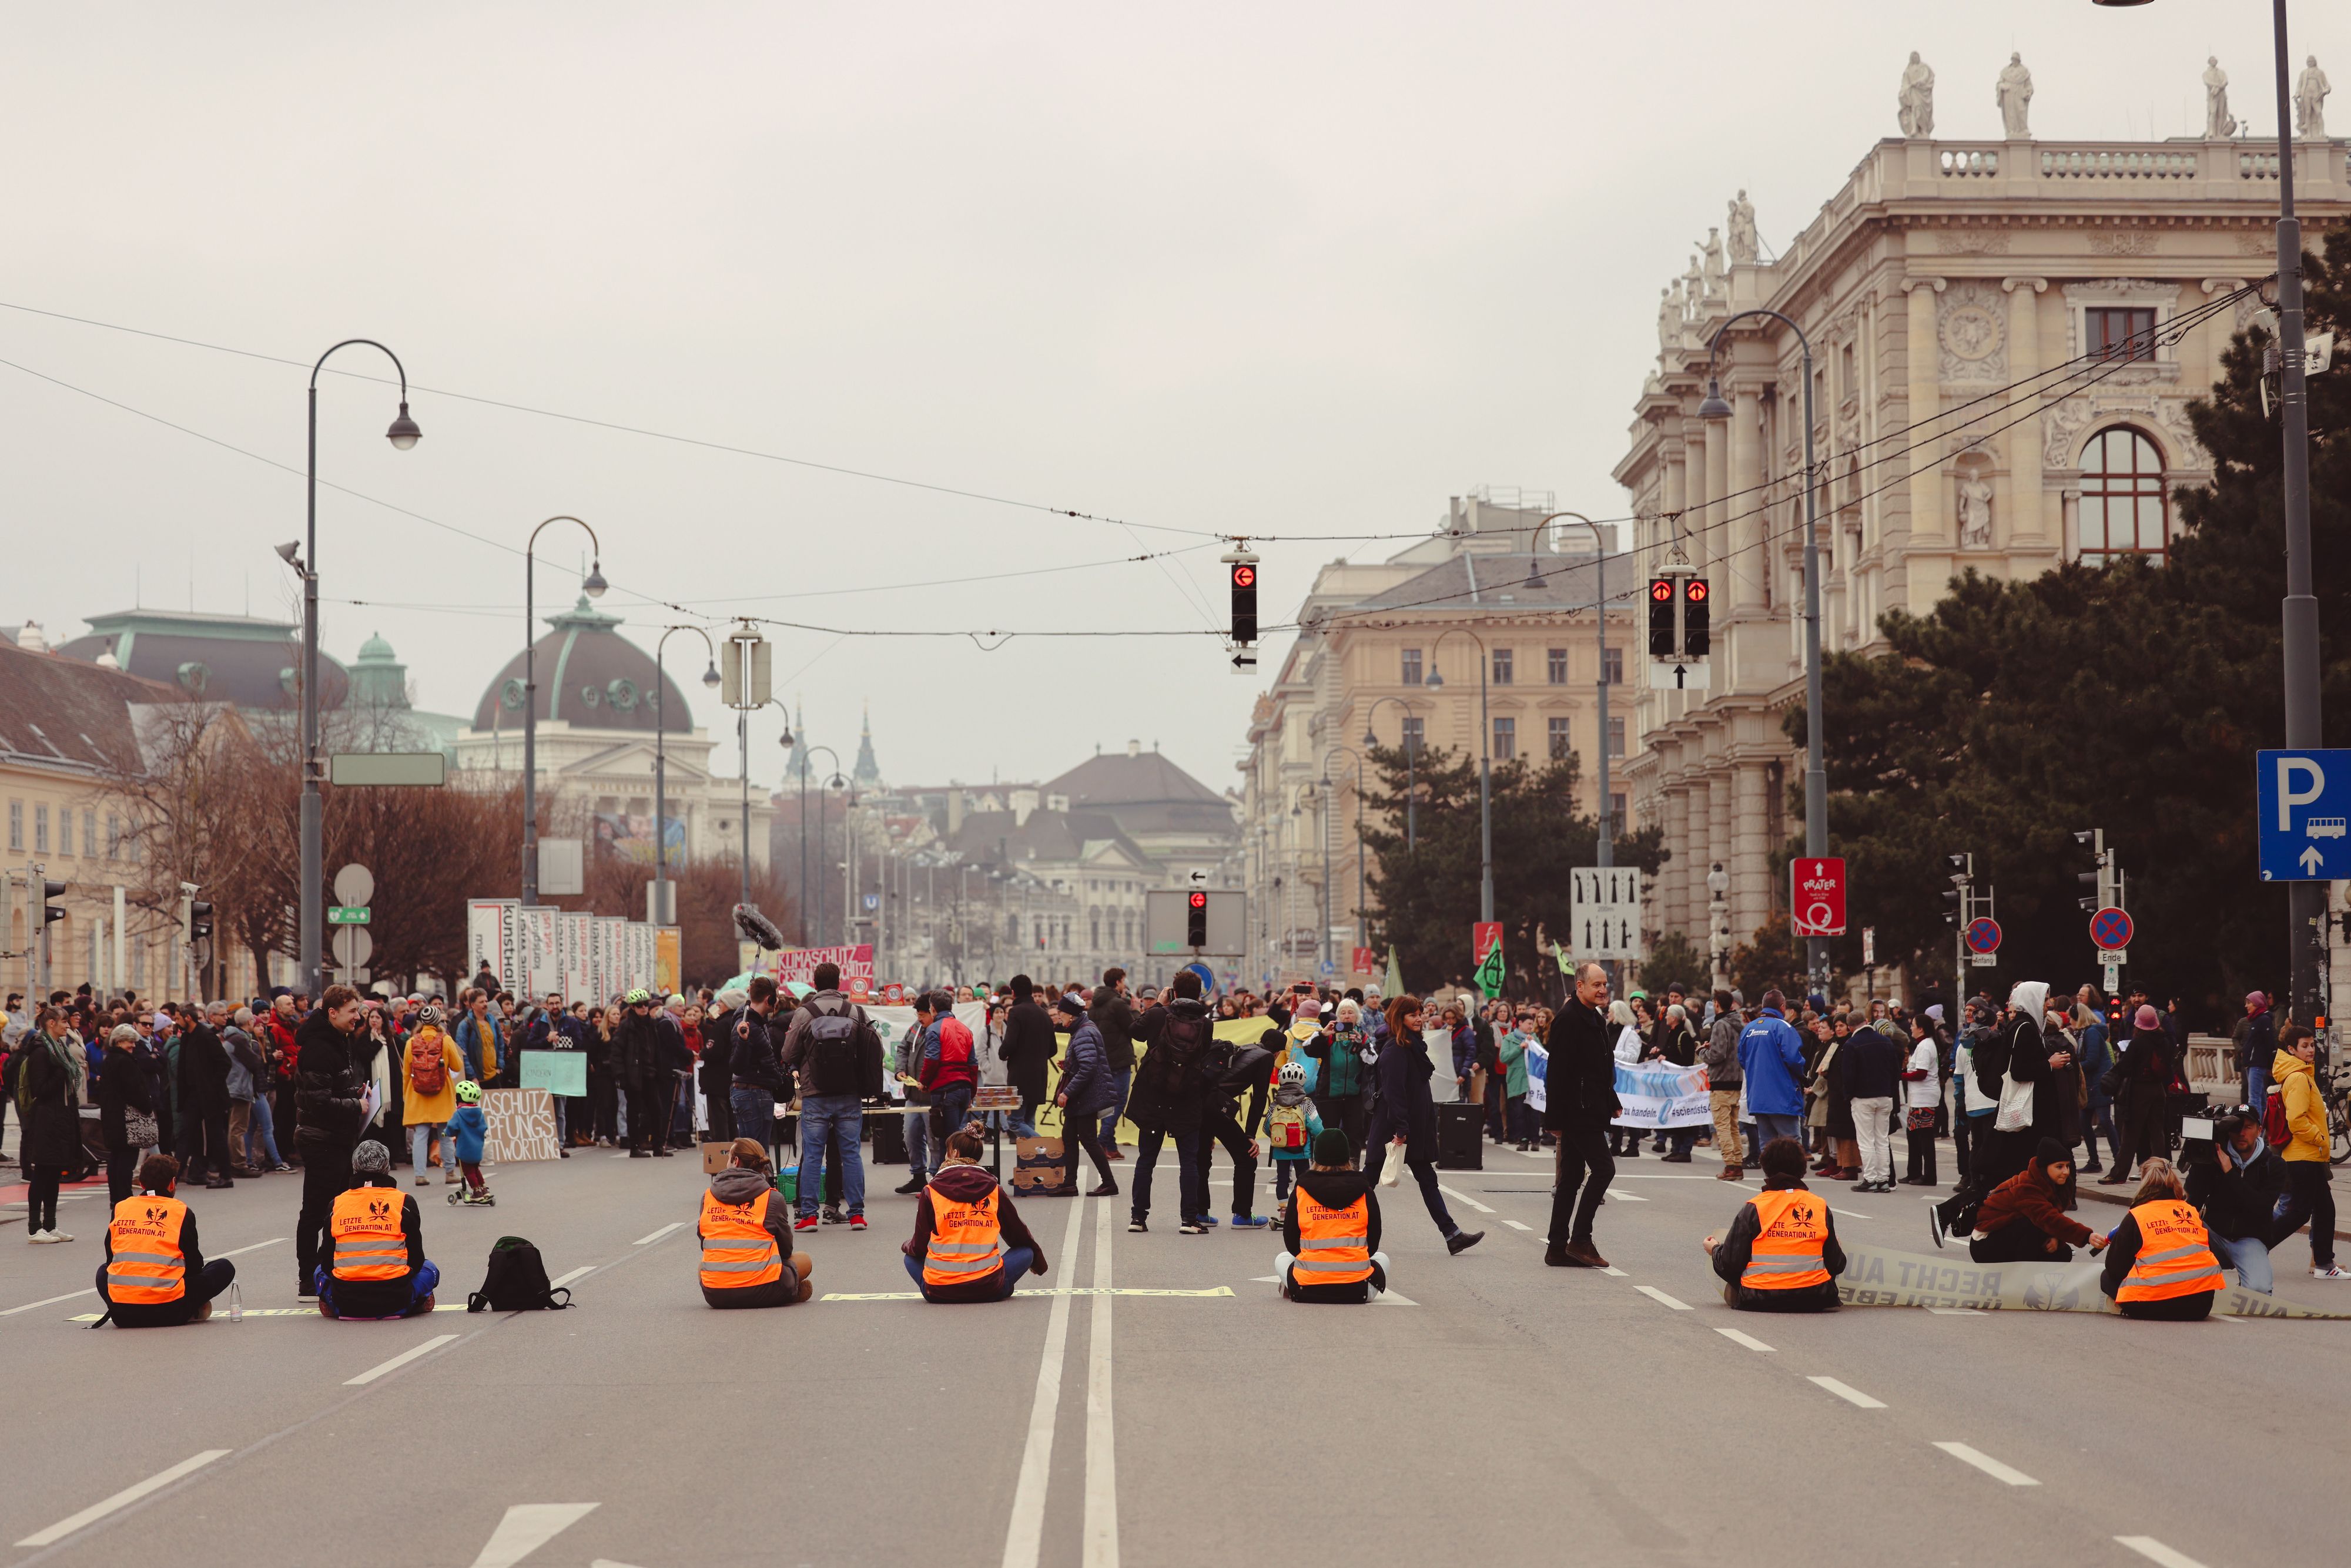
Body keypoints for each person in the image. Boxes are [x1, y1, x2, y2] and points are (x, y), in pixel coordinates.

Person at [1366, 994, 1482, 1256]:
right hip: (1395, 1126)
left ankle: (1452, 1235)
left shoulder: (1412, 1046)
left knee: (1427, 1179)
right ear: (1399, 1018)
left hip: (1411, 1126)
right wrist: (1401, 1129)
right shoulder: (1395, 1050)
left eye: (1420, 1014)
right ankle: (1340, 1223)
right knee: (1368, 1179)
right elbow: (1394, 1093)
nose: (1419, 1019)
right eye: (1412, 1015)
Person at [783, 962, 884, 1232]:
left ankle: (808, 1216)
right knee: (851, 1154)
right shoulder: (856, 1012)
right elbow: (875, 1049)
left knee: (813, 1155)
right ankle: (857, 1215)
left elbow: (787, 1053)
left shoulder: (805, 1013)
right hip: (850, 1094)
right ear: (839, 983)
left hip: (815, 1094)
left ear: (814, 983)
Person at [903, 1125, 1050, 1302]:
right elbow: (1018, 1236)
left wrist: (906, 1246)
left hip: (938, 1292)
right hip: (989, 1288)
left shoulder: (930, 1191)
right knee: (1026, 1252)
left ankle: (939, 1285)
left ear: (955, 1153)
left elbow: (919, 1246)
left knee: (909, 1259)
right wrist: (1038, 1264)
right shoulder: (995, 1190)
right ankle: (1001, 1287)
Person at [1703, 1137, 1846, 1312]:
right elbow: (1837, 1265)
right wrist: (1836, 1247)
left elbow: (1730, 1264)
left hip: (1759, 1297)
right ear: (1802, 1170)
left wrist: (1715, 1250)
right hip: (1816, 1297)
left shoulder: (1755, 1207)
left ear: (1766, 1169)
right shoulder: (1819, 1206)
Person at [94, 1154, 236, 1327]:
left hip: (123, 1315)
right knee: (223, 1267)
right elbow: (193, 1265)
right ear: (172, 1183)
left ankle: (129, 1304)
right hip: (169, 1311)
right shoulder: (181, 1212)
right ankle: (193, 1310)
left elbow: (111, 1259)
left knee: (103, 1271)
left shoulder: (121, 1208)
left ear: (141, 1183)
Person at [293, 986, 370, 1299]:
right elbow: (318, 1101)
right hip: (320, 1139)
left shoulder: (338, 1040)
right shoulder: (317, 1048)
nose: (358, 1017)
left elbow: (333, 1088)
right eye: (352, 1011)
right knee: (315, 1211)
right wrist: (355, 1106)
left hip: (337, 1137)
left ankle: (329, 1268)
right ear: (332, 1013)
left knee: (337, 1209)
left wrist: (355, 1094)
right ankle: (308, 1279)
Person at [1125, 971, 1214, 1234]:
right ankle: (1189, 1220)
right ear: (1200, 994)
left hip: (1154, 1099)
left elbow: (1134, 1031)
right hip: (1186, 1099)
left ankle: (1138, 1218)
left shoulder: (1157, 1015)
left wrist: (1160, 1005)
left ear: (1173, 991)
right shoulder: (1206, 1024)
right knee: (1189, 1161)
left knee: (1146, 1159)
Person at [1544, 964, 1619, 1269]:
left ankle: (1557, 1248)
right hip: (1578, 1112)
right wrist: (1554, 1121)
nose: (1602, 990)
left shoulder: (1594, 1017)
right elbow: (1558, 1072)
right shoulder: (1568, 1019)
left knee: (1572, 1178)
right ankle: (1580, 1240)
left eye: (1605, 984)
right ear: (1580, 986)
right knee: (1604, 1170)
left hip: (1592, 1107)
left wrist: (1611, 1098)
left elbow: (1599, 1067)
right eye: (1596, 985)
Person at [316, 1141, 439, 1319]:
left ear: (354, 1167)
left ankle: (331, 1302)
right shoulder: (405, 1202)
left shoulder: (336, 1204)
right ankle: (414, 1302)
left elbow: (327, 1263)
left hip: (345, 1300)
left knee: (318, 1271)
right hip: (396, 1297)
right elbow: (417, 1259)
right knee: (430, 1269)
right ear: (387, 1167)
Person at [2267, 1023, 2348, 1280]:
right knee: (2300, 1212)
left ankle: (2325, 1264)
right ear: (2292, 1049)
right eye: (2305, 1046)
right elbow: (2296, 1120)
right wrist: (2321, 1138)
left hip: (2307, 1155)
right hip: (2304, 1155)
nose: (2311, 1050)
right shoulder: (2299, 1077)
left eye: (2312, 1045)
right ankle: (2254, 1246)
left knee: (2323, 1209)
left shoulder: (2301, 1074)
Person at [2099, 1159, 2224, 1321]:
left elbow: (2115, 1268)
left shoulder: (2138, 1215)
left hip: (2148, 1305)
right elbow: (2211, 1253)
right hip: (2199, 1306)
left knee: (2106, 1277)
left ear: (2143, 1181)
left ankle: (2123, 1305)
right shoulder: (2191, 1212)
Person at [1276, 1130, 1389, 1302]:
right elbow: (1373, 1243)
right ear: (1347, 1157)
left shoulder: (1302, 1190)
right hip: (1358, 1290)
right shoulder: (1365, 1191)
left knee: (1282, 1259)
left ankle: (1295, 1285)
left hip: (1306, 1287)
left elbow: (1291, 1241)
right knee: (1382, 1258)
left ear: (1316, 1158)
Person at [699, 1138, 813, 1308]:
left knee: (702, 1265)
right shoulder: (772, 1198)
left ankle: (784, 1292)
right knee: (804, 1260)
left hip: (715, 1294)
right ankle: (788, 1292)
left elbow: (704, 1244)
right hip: (763, 1288)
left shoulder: (708, 1197)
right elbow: (786, 1249)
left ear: (735, 1161)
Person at [2186, 1111, 2283, 1292]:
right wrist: (2201, 1160)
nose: (2242, 1133)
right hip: (2213, 1235)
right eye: (2236, 1128)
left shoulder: (2273, 1164)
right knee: (2180, 1232)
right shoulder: (2215, 1157)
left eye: (2248, 1127)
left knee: (2259, 1291)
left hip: (2249, 1240)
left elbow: (2261, 1207)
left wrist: (2230, 1173)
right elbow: (2192, 1201)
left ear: (2259, 1130)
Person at [1967, 1139, 2105, 1264]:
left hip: (2011, 1235)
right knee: (2032, 1227)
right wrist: (2087, 1236)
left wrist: (2055, 1237)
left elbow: (2052, 1220)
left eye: (2067, 1166)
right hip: (1985, 1243)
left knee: (2063, 1254)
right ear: (2045, 1168)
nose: (2066, 1172)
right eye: (2059, 1167)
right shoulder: (2025, 1187)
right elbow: (2048, 1218)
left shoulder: (2057, 1185)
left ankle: (2035, 1278)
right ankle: (2021, 1278)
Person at [18, 1009, 86, 1242]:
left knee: (54, 1173)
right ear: (51, 1023)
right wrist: (60, 1072)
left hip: (60, 1119)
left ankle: (50, 1225)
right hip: (46, 1121)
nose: (68, 1026)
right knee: (42, 1174)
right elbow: (40, 1090)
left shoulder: (59, 1050)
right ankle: (35, 1228)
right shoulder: (41, 1051)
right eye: (64, 1021)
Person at [1048, 990, 1118, 1197]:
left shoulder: (1084, 1032)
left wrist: (1067, 1093)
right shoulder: (1081, 1030)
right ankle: (1070, 1183)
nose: (1059, 1017)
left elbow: (1088, 1068)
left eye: (1061, 1013)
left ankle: (1109, 1182)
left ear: (1071, 1015)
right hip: (1082, 1097)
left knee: (1088, 1139)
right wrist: (1070, 1064)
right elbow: (1085, 1063)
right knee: (1069, 1136)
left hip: (1085, 1097)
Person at [2099, 1004, 2175, 1185]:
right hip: (2159, 1090)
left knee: (2130, 1135)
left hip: (2139, 1091)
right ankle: (2161, 1172)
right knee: (2157, 1133)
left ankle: (2119, 1174)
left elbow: (2124, 1067)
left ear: (2139, 1024)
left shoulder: (2138, 1043)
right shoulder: (2163, 1041)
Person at [1302, 997, 1372, 1167]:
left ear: (1357, 1017)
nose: (1347, 1016)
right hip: (1329, 1094)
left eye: (1351, 1013)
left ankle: (1352, 1169)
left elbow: (1373, 1061)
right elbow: (1308, 1049)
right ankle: (1321, 1168)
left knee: (1354, 1135)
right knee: (1325, 1134)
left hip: (1354, 1096)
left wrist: (1361, 1045)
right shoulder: (1329, 1035)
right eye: (1343, 1013)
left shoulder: (1362, 1036)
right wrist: (1322, 1034)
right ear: (1338, 1017)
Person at [910, 989, 978, 1161]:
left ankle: (949, 1179)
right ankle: (956, 1175)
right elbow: (973, 1064)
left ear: (932, 1009)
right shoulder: (965, 1029)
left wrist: (924, 1082)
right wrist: (972, 1092)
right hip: (964, 1089)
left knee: (948, 1140)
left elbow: (932, 1060)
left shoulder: (935, 1028)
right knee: (956, 1137)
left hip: (946, 1090)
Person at [1737, 990, 1807, 1150]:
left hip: (1757, 1097)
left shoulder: (1749, 1028)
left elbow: (1742, 1060)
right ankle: (1791, 1174)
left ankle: (1772, 1174)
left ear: (1763, 1007)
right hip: (1782, 1097)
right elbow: (1794, 1059)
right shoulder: (1784, 1028)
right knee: (1791, 1142)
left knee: (1767, 1144)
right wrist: (1803, 1076)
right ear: (1782, 1007)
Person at [402, 1007, 463, 1187]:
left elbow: (406, 1072)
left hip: (418, 1093)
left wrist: (407, 1095)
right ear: (438, 1022)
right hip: (442, 1093)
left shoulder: (411, 1042)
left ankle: (420, 1175)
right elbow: (458, 1067)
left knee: (421, 1134)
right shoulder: (446, 1040)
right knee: (445, 1134)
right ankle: (450, 1172)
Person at [96, 1023, 155, 1207]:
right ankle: (125, 1197)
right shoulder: (125, 1062)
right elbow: (135, 1091)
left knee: (116, 1158)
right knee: (126, 1160)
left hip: (113, 1116)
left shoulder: (110, 1060)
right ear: (119, 1041)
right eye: (130, 1042)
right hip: (127, 1119)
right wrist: (148, 1106)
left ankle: (116, 1198)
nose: (133, 1046)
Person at [728, 977, 788, 1154]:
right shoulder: (747, 1025)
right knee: (755, 1154)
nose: (778, 1001)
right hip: (753, 1093)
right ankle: (754, 1182)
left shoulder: (756, 1022)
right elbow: (737, 1066)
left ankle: (755, 1181)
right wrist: (743, 1041)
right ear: (768, 999)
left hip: (754, 1093)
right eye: (776, 996)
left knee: (755, 1153)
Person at [1843, 1016, 1901, 1192]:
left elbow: (1848, 1075)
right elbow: (1895, 1072)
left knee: (1866, 1140)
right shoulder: (1886, 1042)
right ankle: (1884, 1180)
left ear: (1850, 1027)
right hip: (1885, 1097)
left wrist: (1849, 1096)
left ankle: (1870, 1179)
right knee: (1882, 1139)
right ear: (1867, 1021)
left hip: (1863, 1098)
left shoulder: (1852, 1045)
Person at [1265, 1057, 1325, 1218]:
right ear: (1303, 1081)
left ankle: (1284, 1210)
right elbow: (1318, 1128)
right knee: (1304, 1178)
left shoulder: (1275, 1104)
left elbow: (1267, 1128)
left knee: (1283, 1179)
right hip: (1302, 1151)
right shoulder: (1307, 1103)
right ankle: (1303, 1207)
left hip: (1280, 1151)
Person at [1089, 967, 1137, 1158]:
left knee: (1108, 1104)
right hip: (1119, 1060)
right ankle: (1102, 1141)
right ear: (1118, 982)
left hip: (1101, 1061)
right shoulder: (1118, 1004)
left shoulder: (1094, 1005)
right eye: (1123, 981)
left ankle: (1111, 1146)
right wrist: (1133, 1007)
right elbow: (1133, 1029)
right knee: (1118, 1102)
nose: (1124, 985)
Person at [616, 990, 667, 1158]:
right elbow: (617, 1053)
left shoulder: (652, 1024)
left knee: (656, 1110)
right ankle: (635, 1147)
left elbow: (658, 1049)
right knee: (634, 1112)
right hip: (633, 1076)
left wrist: (660, 1071)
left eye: (646, 1004)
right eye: (640, 1005)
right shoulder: (626, 1026)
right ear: (632, 1007)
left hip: (650, 1074)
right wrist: (621, 1076)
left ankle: (658, 1146)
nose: (644, 1008)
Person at [1702, 990, 1745, 1181]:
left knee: (1723, 1127)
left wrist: (1702, 1052)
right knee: (1734, 1126)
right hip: (1736, 1079)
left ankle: (1729, 1165)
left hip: (1721, 1081)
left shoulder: (1720, 1024)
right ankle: (1737, 1164)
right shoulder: (1738, 1024)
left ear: (1718, 1003)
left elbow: (1718, 1055)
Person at [1900, 1014, 1941, 1187]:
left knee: (1924, 1138)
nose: (1911, 1028)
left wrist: (1901, 1075)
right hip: (1918, 1098)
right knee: (1913, 1135)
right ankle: (1914, 1172)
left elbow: (1921, 1073)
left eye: (1913, 1025)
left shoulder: (1925, 1046)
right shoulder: (1923, 1044)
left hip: (1925, 1098)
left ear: (1921, 1028)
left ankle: (1929, 1176)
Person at [442, 1080, 493, 1206]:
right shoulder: (479, 1113)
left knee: (469, 1172)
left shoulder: (459, 1114)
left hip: (465, 1149)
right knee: (476, 1170)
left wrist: (446, 1133)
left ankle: (476, 1192)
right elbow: (484, 1128)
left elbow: (452, 1128)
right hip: (477, 1149)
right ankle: (484, 1189)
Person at [2234, 991, 2277, 1120]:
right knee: (2260, 1099)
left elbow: (2270, 1044)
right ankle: (2262, 1129)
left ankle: (2256, 1131)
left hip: (2257, 1065)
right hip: (2253, 1064)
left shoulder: (2263, 1020)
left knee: (2254, 1099)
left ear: (2257, 1003)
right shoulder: (2257, 1019)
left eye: (2249, 1003)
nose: (2247, 1006)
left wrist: (2271, 1066)